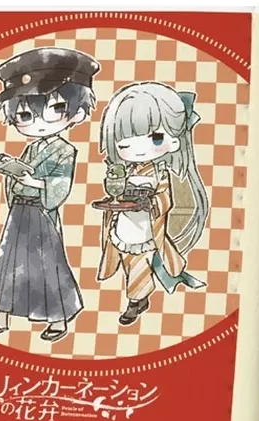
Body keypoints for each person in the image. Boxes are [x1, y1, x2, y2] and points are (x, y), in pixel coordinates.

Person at [0, 47, 100, 342]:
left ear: (78, 112)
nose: (37, 121)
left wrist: (32, 181)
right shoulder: (31, 148)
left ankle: (58, 318)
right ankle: (0, 314)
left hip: (42, 213)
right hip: (19, 213)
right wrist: (10, 171)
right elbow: (19, 178)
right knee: (8, 262)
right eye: (24, 114)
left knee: (49, 264)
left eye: (56, 109)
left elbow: (60, 186)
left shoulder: (65, 150)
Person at [98, 82, 209, 326]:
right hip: (123, 225)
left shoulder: (160, 173)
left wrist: (150, 202)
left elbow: (166, 199)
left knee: (139, 264)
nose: (138, 148)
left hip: (145, 229)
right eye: (125, 141)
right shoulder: (125, 171)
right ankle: (139, 296)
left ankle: (136, 300)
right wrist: (114, 198)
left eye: (156, 138)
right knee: (126, 262)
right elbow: (115, 191)